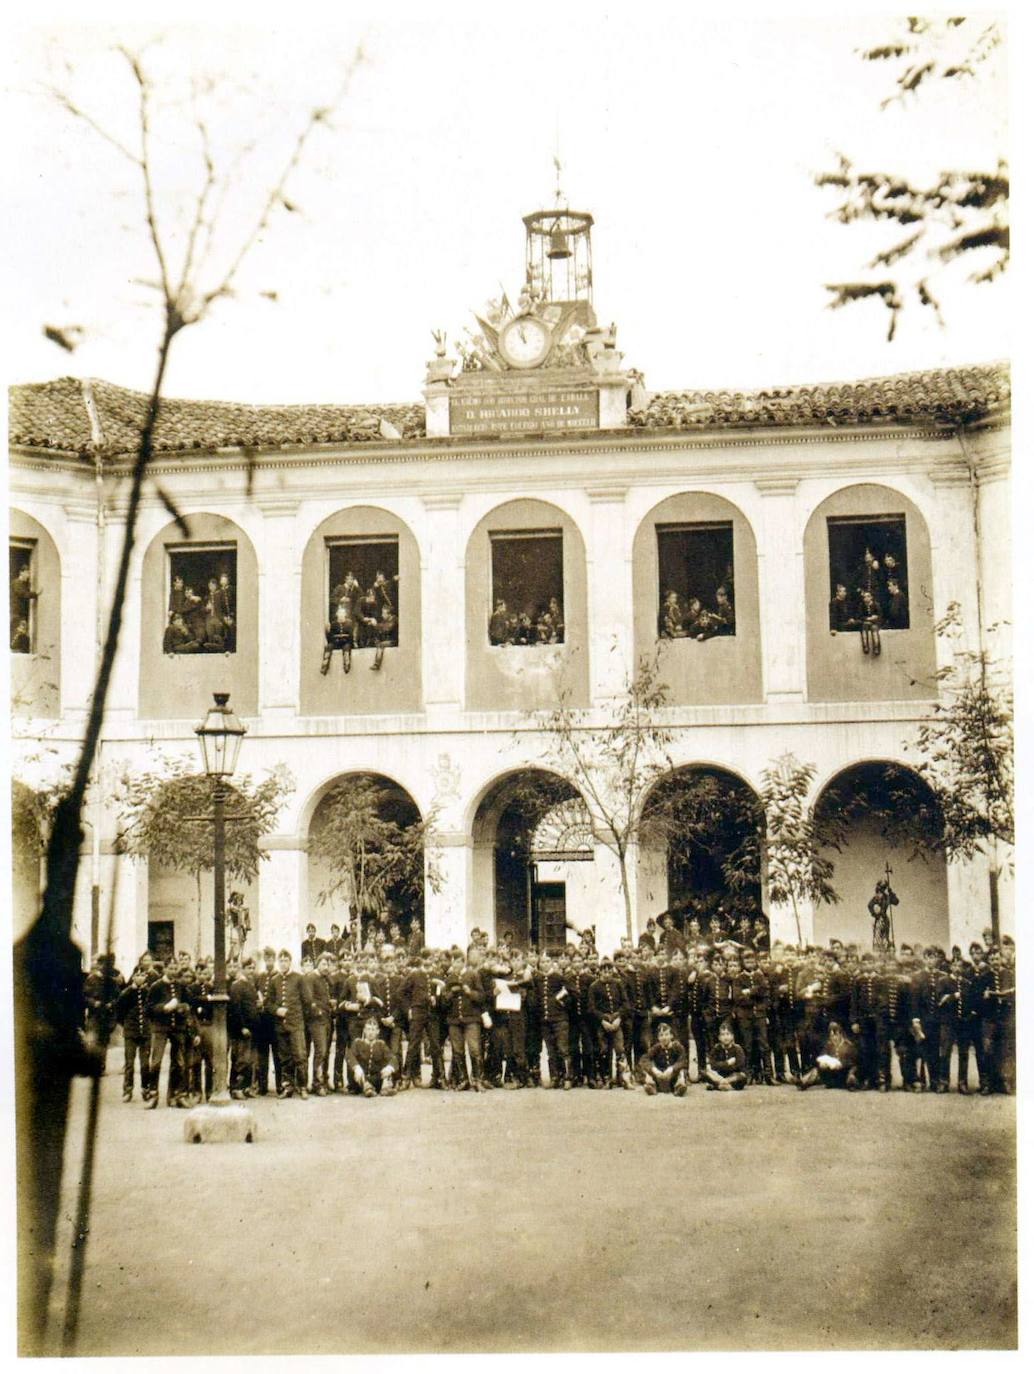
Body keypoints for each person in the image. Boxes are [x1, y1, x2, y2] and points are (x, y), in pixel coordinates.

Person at [268, 949, 309, 1099]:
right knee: (285, 1058)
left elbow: (307, 1001)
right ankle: (288, 1087)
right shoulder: (274, 980)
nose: (283, 963)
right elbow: (268, 1003)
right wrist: (277, 1010)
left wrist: (297, 1018)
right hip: (281, 1025)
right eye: (281, 961)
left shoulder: (299, 978)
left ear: (290, 962)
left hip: (296, 1024)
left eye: (286, 960)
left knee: (299, 1056)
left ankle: (303, 1087)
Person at [116, 965, 151, 1103]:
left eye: (143, 975)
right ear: (133, 977)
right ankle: (127, 1090)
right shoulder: (126, 993)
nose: (140, 978)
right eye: (137, 975)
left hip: (145, 1033)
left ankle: (145, 1089)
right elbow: (119, 1013)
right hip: (131, 1032)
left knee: (144, 1064)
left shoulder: (149, 992)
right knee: (129, 1063)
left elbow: (151, 1011)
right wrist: (126, 1026)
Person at [798, 1022, 859, 1091]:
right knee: (816, 1071)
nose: (834, 1038)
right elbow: (822, 1056)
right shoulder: (828, 1045)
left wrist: (842, 1064)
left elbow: (854, 1062)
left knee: (851, 1073)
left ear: (841, 1034)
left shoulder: (848, 1046)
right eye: (831, 1036)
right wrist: (822, 1064)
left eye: (836, 1035)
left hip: (843, 1073)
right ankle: (802, 1082)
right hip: (831, 1074)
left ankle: (851, 1084)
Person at [347, 1017, 397, 1097]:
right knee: (357, 1072)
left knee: (387, 1069)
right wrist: (356, 1067)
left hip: (375, 1079)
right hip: (360, 1079)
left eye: (373, 1030)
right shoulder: (357, 1043)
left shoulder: (381, 1044)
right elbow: (349, 1056)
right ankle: (367, 1088)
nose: (370, 1032)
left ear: (378, 1032)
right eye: (368, 1029)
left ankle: (385, 1088)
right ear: (364, 1030)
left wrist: (389, 1068)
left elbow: (393, 1059)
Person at [705, 1021, 748, 1090]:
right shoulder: (716, 1048)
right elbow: (712, 1064)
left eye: (728, 1034)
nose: (726, 1037)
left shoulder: (738, 1049)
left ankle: (720, 1084)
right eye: (723, 1034)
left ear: (732, 1036)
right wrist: (727, 1063)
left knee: (742, 1076)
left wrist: (720, 1066)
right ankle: (726, 1085)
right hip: (719, 1075)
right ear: (719, 1037)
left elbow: (740, 1065)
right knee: (706, 1073)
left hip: (733, 1075)